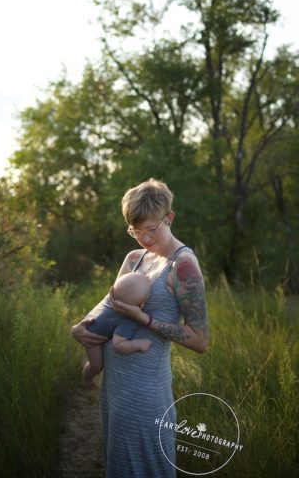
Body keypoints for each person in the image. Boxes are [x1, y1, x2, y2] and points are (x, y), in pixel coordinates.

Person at [71, 178, 209, 478]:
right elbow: (109, 303)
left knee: (147, 469)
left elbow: (200, 340)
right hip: (115, 386)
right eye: (136, 231)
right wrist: (83, 326)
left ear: (169, 218)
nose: (144, 239)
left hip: (145, 394)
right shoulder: (134, 259)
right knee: (119, 464)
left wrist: (144, 319)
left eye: (151, 229)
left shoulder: (183, 266)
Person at [82, 270, 153, 389]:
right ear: (141, 305)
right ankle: (87, 379)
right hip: (91, 336)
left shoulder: (114, 301)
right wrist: (139, 344)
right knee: (97, 365)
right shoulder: (128, 321)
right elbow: (118, 345)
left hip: (94, 325)